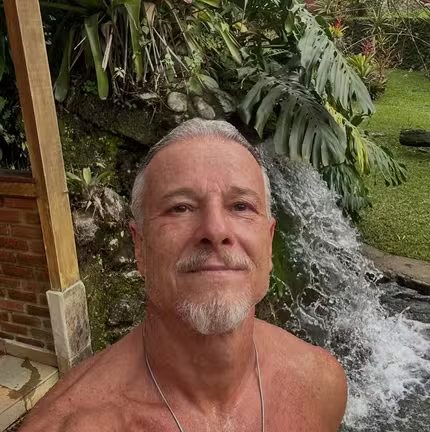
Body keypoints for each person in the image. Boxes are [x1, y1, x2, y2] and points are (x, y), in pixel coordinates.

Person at [20, 118, 347, 432]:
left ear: (269, 241)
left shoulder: (320, 385)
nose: (215, 230)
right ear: (139, 246)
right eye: (180, 207)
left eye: (241, 206)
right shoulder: (71, 425)